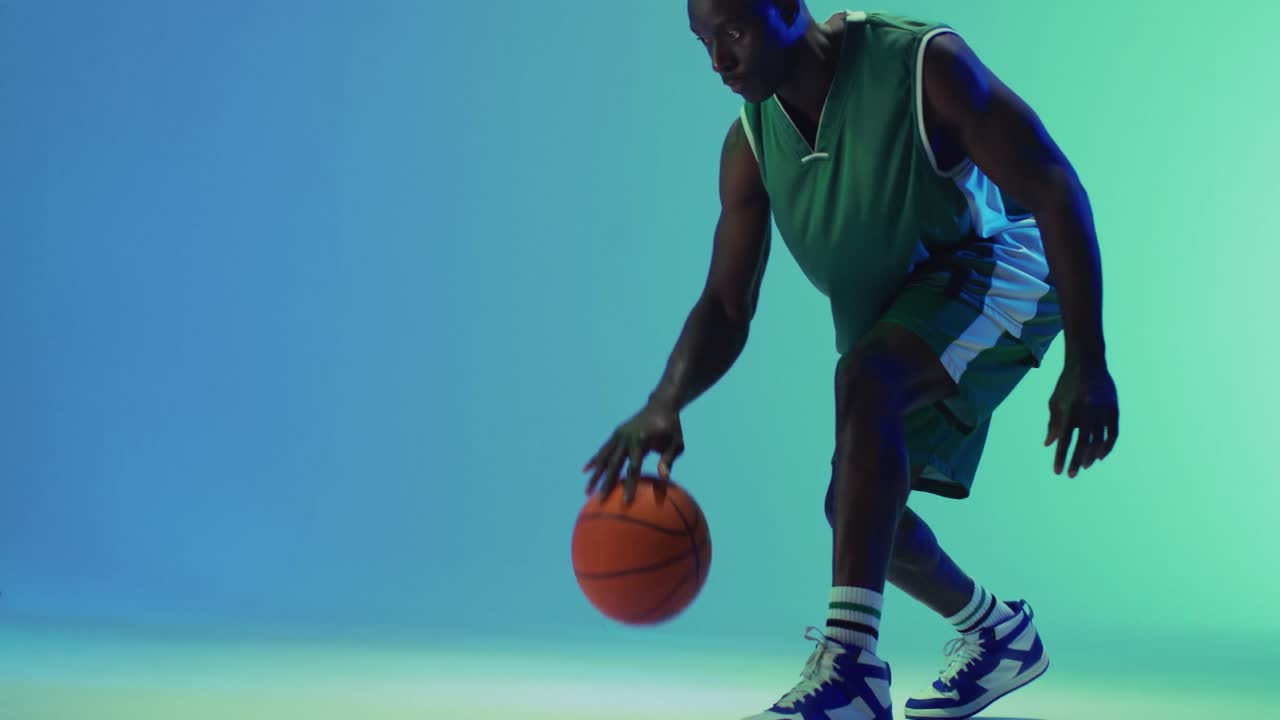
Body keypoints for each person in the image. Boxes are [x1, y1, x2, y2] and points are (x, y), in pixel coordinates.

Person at [582, 2, 1119, 719]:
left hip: (1004, 269)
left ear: (784, 6)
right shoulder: (750, 144)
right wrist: (665, 401)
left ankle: (852, 668)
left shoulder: (922, 66)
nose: (718, 60)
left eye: (733, 31)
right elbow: (725, 305)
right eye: (703, 41)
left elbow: (1055, 186)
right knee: (860, 518)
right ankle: (999, 634)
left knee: (866, 380)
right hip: (905, 312)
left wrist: (1088, 359)